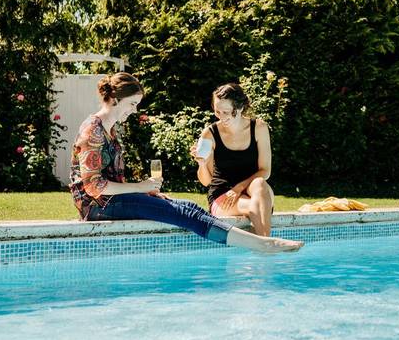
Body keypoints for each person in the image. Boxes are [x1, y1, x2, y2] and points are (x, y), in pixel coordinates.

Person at [69, 72, 302, 253]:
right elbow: (93, 187)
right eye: (132, 104)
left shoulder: (109, 129)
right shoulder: (94, 130)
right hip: (98, 207)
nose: (134, 110)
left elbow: (110, 180)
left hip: (111, 201)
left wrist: (146, 191)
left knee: (189, 207)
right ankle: (263, 244)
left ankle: (259, 241)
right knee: (183, 214)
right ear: (115, 100)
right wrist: (141, 187)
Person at [193, 83, 276, 236]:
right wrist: (202, 164)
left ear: (239, 108)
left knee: (259, 184)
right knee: (257, 206)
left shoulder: (259, 128)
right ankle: (267, 246)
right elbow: (206, 181)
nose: (221, 117)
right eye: (217, 111)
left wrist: (238, 188)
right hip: (224, 195)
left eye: (226, 112)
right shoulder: (209, 133)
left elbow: (265, 171)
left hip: (254, 190)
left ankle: (265, 247)